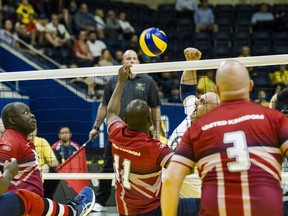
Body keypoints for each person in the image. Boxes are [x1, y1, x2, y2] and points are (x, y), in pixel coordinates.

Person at [161, 59, 288, 215]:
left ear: (218, 90)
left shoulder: (198, 129)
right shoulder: (274, 119)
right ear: (250, 86)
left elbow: (170, 180)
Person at [106, 63, 199, 216]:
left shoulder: (116, 133)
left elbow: (110, 113)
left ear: (124, 120)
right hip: (152, 211)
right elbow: (186, 170)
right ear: (150, 121)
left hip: (124, 210)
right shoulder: (155, 148)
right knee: (203, 203)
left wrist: (121, 81)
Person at [89, 49, 162, 212]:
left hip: (142, 135)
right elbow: (104, 106)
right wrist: (96, 127)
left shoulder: (148, 81)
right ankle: (100, 200)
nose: (131, 61)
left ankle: (147, 202)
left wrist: (157, 130)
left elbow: (155, 107)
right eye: (128, 58)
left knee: (144, 167)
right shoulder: (113, 81)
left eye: (134, 58)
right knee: (108, 165)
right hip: (118, 133)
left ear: (139, 62)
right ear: (122, 62)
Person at [0, 102, 95, 216]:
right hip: (22, 207)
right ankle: (72, 211)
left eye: (30, 111)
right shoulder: (10, 142)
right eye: (25, 112)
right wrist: (9, 173)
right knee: (27, 198)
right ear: (12, 119)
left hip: (30, 207)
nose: (32, 115)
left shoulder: (22, 140)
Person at [168, 47, 219, 199]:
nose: (196, 102)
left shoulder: (212, 135)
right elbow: (188, 91)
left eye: (202, 102)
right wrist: (191, 64)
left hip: (195, 199)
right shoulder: (194, 111)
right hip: (174, 195)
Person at [28, 127, 60, 199]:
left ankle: (47, 199)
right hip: (25, 176)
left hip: (41, 175)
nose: (30, 131)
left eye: (32, 129)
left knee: (54, 173)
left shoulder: (42, 142)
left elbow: (55, 162)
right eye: (27, 128)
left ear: (36, 130)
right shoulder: (19, 142)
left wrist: (47, 165)